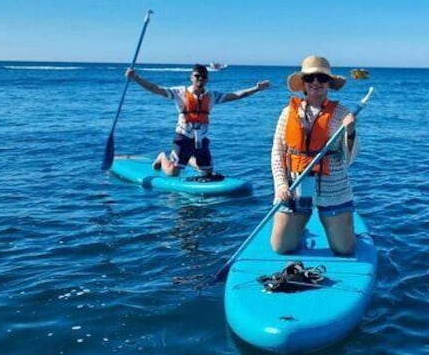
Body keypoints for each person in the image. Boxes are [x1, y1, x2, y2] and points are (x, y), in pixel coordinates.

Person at [271, 56, 360, 256]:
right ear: (303, 83)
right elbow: (277, 152)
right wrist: (281, 186)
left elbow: (349, 158)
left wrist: (351, 132)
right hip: (297, 186)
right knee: (281, 247)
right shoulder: (287, 113)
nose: (316, 83)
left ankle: (347, 229)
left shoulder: (342, 114)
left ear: (328, 82)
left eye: (321, 77)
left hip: (333, 187)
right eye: (310, 78)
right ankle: (299, 228)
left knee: (345, 249)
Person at [125, 64, 270, 176]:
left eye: (203, 77)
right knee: (172, 173)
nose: (200, 79)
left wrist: (256, 89)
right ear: (191, 77)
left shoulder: (212, 96)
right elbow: (154, 88)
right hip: (183, 137)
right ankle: (162, 157)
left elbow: (237, 95)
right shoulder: (180, 93)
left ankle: (186, 160)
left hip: (201, 139)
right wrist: (136, 77)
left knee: (207, 173)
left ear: (207, 79)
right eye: (197, 76)